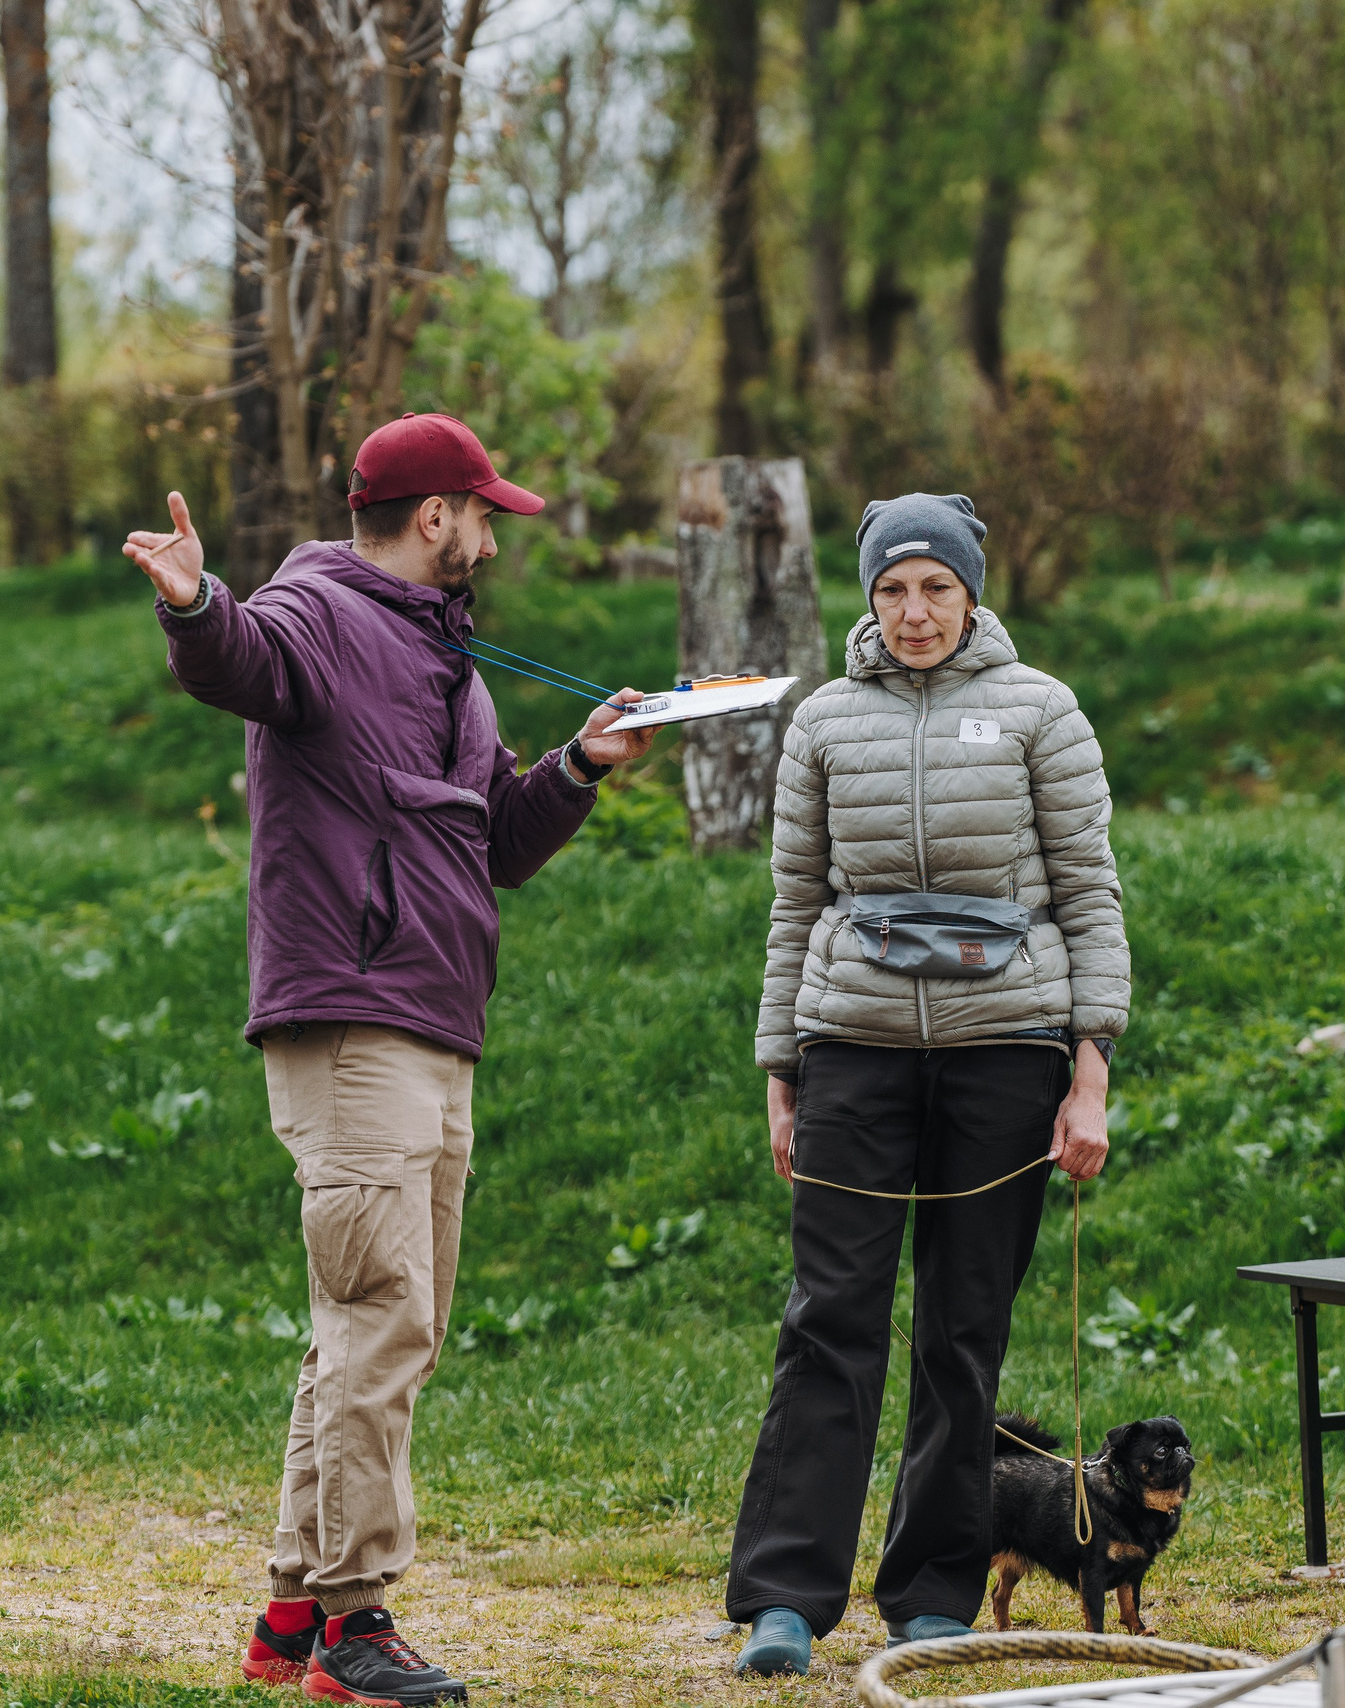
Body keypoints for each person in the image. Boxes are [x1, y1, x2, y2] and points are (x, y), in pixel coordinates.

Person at [121, 413, 655, 1707]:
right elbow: (240, 659)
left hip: (434, 1030)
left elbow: (498, 847)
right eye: (485, 514)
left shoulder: (451, 673)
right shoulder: (318, 614)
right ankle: (362, 1633)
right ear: (435, 519)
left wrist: (580, 766)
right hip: (351, 1024)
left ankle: (294, 1614)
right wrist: (197, 607)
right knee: (379, 1322)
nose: (493, 533)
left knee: (367, 1329)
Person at [724, 492, 1130, 1677]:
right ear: (867, 596)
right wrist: (781, 1069)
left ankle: (935, 1593)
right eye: (891, 589)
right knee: (829, 1319)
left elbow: (1092, 895)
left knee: (963, 1331)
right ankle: (786, 1599)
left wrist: (1088, 1073)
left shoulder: (1041, 711)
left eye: (934, 588)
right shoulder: (823, 722)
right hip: (851, 1048)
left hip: (1008, 1052)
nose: (912, 612)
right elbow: (794, 905)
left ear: (971, 591)